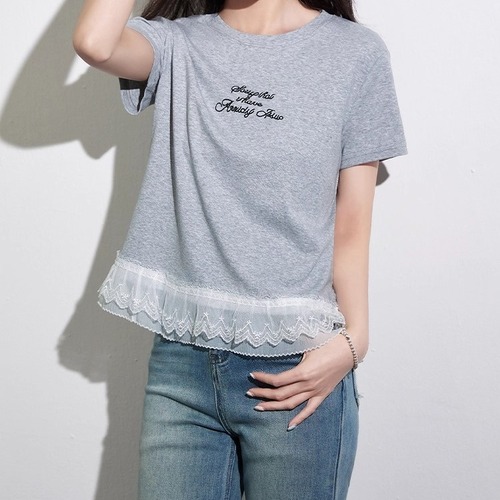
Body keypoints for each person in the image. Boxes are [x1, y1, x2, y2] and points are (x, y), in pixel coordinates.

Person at [73, 0, 407, 498]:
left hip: (298, 366)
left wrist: (355, 340)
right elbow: (94, 43)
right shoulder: (177, 43)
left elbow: (352, 221)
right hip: (181, 367)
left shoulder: (356, 53)